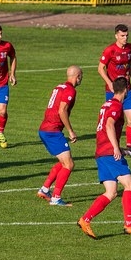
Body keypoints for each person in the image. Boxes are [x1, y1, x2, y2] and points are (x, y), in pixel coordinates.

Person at [77, 77, 131, 239]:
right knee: (130, 185)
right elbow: (109, 125)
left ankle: (85, 220)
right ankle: (129, 224)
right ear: (126, 90)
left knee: (111, 192)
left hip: (101, 152)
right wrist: (116, 148)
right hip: (109, 153)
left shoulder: (106, 104)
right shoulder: (116, 105)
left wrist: (118, 147)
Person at [37, 66, 83, 207]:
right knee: (69, 164)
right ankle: (56, 198)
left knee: (63, 162)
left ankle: (45, 190)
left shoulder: (59, 87)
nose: (81, 79)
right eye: (81, 76)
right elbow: (62, 110)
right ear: (77, 76)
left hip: (45, 129)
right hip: (52, 131)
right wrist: (70, 131)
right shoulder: (70, 90)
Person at [98, 24, 131, 159]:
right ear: (116, 35)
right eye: (122, 36)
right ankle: (112, 147)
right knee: (114, 121)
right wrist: (109, 83)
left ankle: (129, 148)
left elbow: (130, 65)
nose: (125, 38)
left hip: (127, 90)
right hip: (113, 92)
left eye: (127, 35)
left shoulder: (130, 48)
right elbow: (100, 68)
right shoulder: (110, 50)